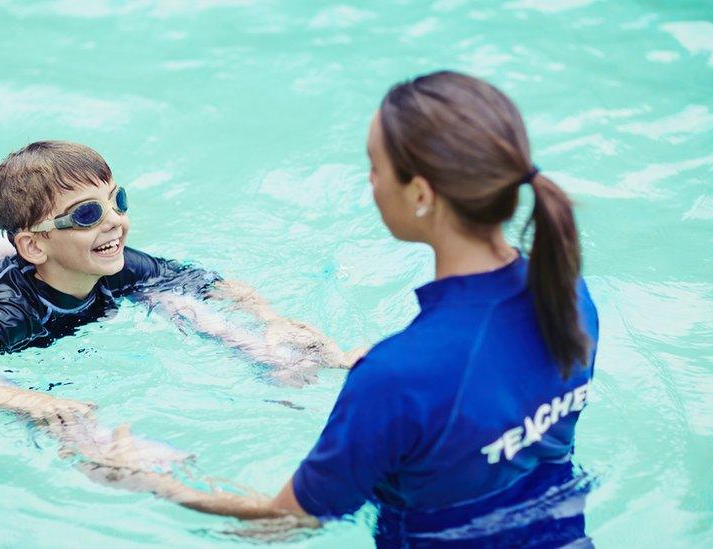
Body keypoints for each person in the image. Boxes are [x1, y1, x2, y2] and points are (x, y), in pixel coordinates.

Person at [104, 71, 601, 547]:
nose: (371, 182)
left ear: (421, 193)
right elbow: (490, 402)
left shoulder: (398, 378)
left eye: (375, 166)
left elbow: (285, 523)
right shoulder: (567, 293)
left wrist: (148, 479)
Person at [0, 142, 356, 432]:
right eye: (86, 215)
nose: (114, 221)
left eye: (117, 201)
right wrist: (26, 400)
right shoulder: (11, 310)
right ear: (34, 245)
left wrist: (274, 321)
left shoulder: (117, 262)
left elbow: (212, 283)